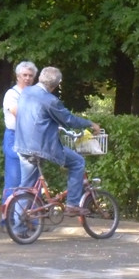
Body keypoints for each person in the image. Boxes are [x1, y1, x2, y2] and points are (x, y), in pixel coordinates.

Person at [14, 66, 100, 216]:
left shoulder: (26, 91)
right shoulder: (50, 100)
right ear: (55, 85)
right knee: (78, 162)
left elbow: (37, 117)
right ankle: (72, 204)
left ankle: (17, 226)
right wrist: (90, 124)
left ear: (40, 77)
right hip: (40, 147)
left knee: (26, 187)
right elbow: (69, 120)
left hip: (22, 144)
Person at [0, 61, 37, 225]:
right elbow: (18, 113)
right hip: (14, 137)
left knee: (33, 182)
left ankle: (32, 220)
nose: (27, 78)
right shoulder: (12, 94)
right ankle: (7, 221)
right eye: (25, 75)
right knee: (14, 181)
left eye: (30, 76)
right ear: (18, 76)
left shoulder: (35, 94)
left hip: (32, 138)